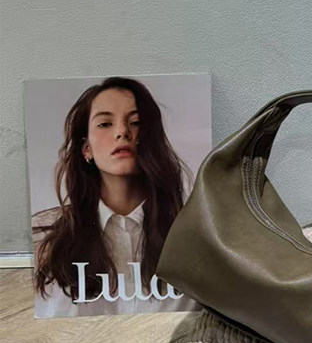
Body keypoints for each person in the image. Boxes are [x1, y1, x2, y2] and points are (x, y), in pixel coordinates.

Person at [33, 76, 198, 317]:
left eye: (136, 122)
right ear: (86, 148)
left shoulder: (194, 233)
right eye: (105, 124)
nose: (122, 132)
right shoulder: (44, 237)